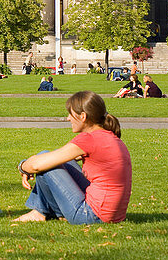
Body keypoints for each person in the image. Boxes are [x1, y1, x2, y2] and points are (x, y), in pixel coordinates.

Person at [14, 90, 132, 224]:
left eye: (71, 114)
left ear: (83, 116)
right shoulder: (108, 137)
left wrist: (23, 167)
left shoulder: (89, 139)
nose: (68, 118)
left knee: (44, 159)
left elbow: (36, 165)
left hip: (91, 215)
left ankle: (40, 212)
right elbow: (59, 159)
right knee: (52, 159)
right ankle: (41, 211)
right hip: (111, 215)